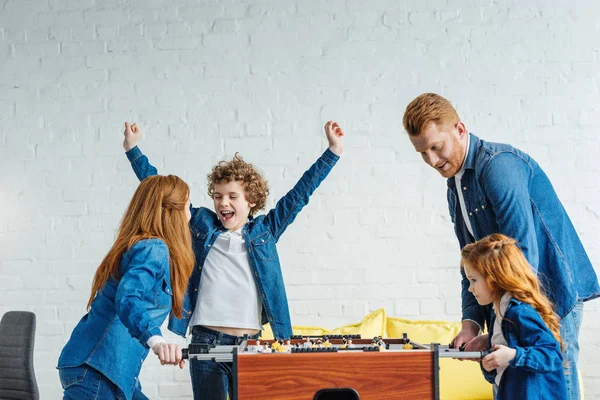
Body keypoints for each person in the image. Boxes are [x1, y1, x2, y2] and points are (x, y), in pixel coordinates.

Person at [122, 120, 344, 399]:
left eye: (232, 196)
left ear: (251, 200)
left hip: (250, 346)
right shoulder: (201, 225)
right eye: (217, 196)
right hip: (206, 342)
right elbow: (163, 195)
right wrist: (133, 150)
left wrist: (332, 152)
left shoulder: (265, 231)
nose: (223, 203)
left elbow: (299, 195)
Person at [403, 92, 599, 400]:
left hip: (550, 295)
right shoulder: (455, 185)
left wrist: (502, 326)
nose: (432, 160)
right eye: (422, 153)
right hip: (514, 299)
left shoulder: (498, 168)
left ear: (460, 130)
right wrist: (471, 325)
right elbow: (471, 264)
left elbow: (523, 256)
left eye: (436, 147)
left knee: (553, 388)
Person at [57, 174, 195, 400]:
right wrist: (158, 342)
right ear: (173, 214)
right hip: (99, 370)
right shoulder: (154, 248)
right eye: (188, 207)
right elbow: (129, 298)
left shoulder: (142, 245)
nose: (190, 215)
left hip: (110, 372)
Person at [462, 233, 566, 399]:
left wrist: (513, 355)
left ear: (494, 279)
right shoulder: (498, 314)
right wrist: (489, 366)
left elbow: (552, 355)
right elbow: (503, 374)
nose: (470, 288)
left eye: (473, 280)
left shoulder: (519, 313)